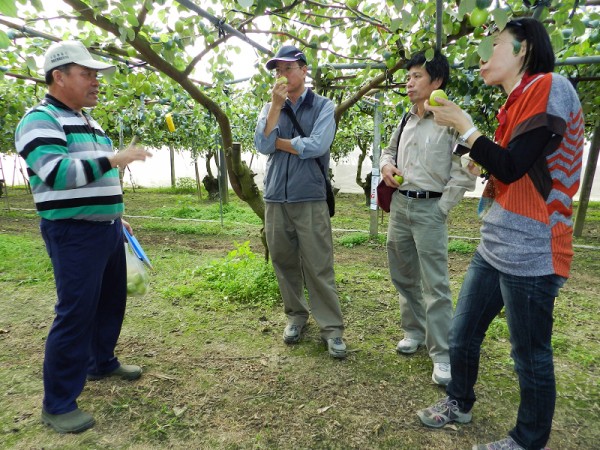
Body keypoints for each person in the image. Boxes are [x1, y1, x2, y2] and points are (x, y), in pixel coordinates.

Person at [416, 19, 585, 450]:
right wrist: (476, 155)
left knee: (529, 357)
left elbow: (512, 166)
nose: (485, 57)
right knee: (462, 332)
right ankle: (460, 401)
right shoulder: (516, 104)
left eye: (495, 46)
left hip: (532, 251)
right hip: (497, 244)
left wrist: (466, 128)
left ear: (523, 49)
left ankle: (528, 441)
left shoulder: (551, 86)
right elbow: (510, 164)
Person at [14, 40, 153, 434]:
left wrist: (117, 216)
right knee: (75, 313)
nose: (96, 82)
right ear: (59, 76)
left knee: (111, 301)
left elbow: (99, 180)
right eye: (87, 74)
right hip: (73, 233)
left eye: (96, 75)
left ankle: (101, 362)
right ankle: (57, 404)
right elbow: (57, 174)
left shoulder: (89, 122)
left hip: (106, 229)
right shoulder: (39, 120)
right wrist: (114, 158)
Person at [379, 50, 476, 385]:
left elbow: (465, 172)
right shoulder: (406, 118)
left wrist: (442, 208)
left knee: (435, 283)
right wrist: (386, 166)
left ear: (436, 81)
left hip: (429, 209)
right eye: (408, 77)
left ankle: (442, 354)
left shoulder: (451, 123)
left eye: (416, 76)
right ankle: (414, 332)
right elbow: (388, 151)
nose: (409, 82)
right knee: (403, 274)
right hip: (401, 207)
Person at [254, 45, 347, 358]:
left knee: (318, 265)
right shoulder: (271, 108)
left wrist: (280, 142)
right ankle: (296, 316)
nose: (282, 74)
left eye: (288, 68)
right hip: (275, 197)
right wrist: (275, 109)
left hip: (309, 197)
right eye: (278, 70)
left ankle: (332, 329)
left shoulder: (323, 106)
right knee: (283, 260)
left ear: (304, 70)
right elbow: (261, 145)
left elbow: (318, 145)